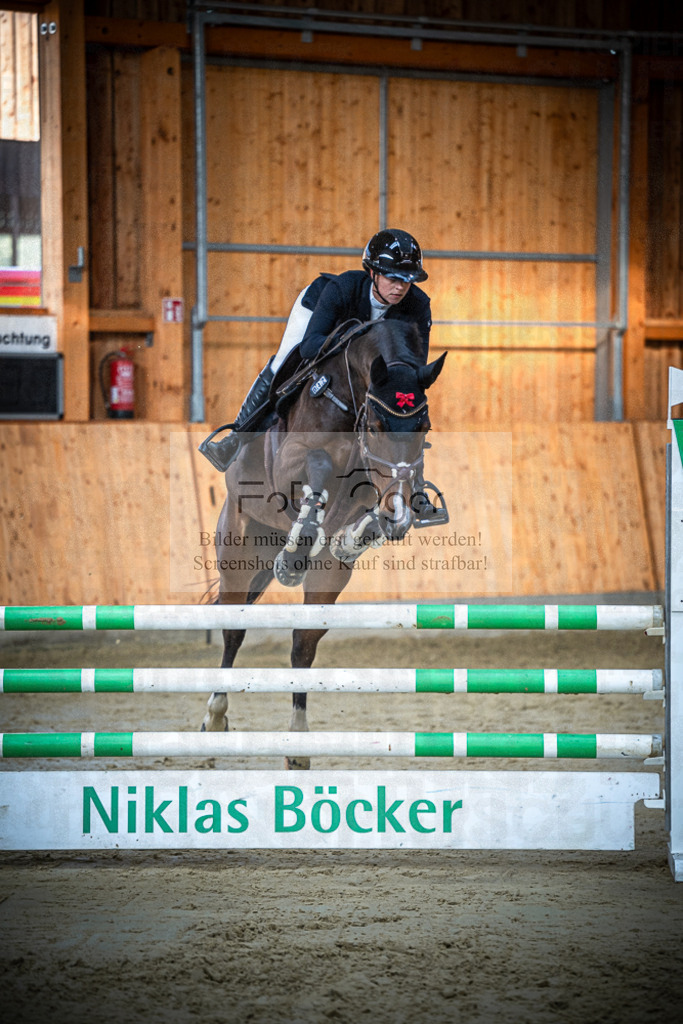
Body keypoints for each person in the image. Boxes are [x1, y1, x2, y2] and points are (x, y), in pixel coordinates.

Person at [199, 228, 432, 474]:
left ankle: (413, 484)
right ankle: (236, 437)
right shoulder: (341, 289)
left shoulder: (418, 305)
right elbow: (311, 346)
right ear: (373, 273)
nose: (400, 288)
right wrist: (350, 342)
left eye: (407, 280)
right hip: (318, 314)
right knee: (284, 363)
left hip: (359, 347)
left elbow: (413, 368)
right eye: (393, 279)